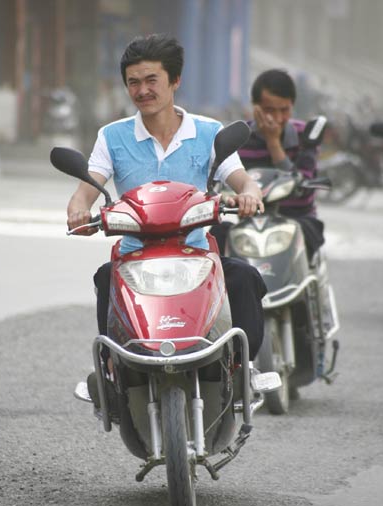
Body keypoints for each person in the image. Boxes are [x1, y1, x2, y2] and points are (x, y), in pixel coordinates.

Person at [66, 34, 267, 408]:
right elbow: (88, 187)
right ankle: (112, 376)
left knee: (243, 278)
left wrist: (250, 194)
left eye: (151, 80)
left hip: (195, 253)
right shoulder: (112, 136)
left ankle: (245, 369)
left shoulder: (209, 133)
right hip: (133, 257)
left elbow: (241, 178)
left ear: (175, 81)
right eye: (133, 82)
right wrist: (78, 207)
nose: (142, 90)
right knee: (105, 277)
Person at [211, 68, 325, 259]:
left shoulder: (303, 135)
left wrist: (274, 143)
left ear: (293, 106)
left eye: (285, 110)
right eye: (270, 110)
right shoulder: (239, 137)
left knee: (309, 234)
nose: (278, 118)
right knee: (216, 235)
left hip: (297, 219)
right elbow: (222, 180)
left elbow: (304, 190)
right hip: (249, 222)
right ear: (255, 107)